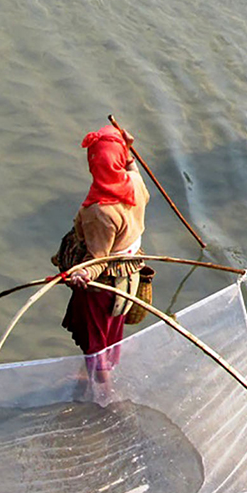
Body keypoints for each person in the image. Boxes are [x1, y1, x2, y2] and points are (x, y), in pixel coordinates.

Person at [57, 123, 149, 392]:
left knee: (95, 344)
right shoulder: (134, 184)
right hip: (127, 277)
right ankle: (98, 378)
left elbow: (98, 259)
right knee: (109, 336)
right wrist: (128, 151)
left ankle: (106, 395)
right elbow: (132, 170)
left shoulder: (100, 212)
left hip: (102, 287)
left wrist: (83, 273)